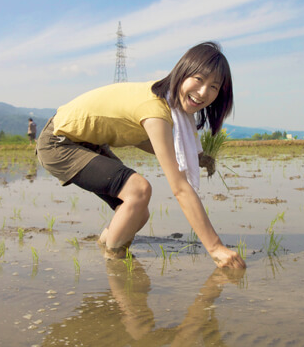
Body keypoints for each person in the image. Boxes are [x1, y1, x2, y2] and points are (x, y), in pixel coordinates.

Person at [36, 41, 245, 269]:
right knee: (138, 190)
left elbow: (151, 143)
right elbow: (180, 188)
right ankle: (114, 263)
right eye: (198, 79)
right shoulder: (155, 108)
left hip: (89, 142)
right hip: (59, 141)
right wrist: (216, 248)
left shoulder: (165, 100)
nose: (203, 92)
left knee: (138, 214)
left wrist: (197, 158)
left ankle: (105, 245)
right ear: (181, 72)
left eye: (214, 87)